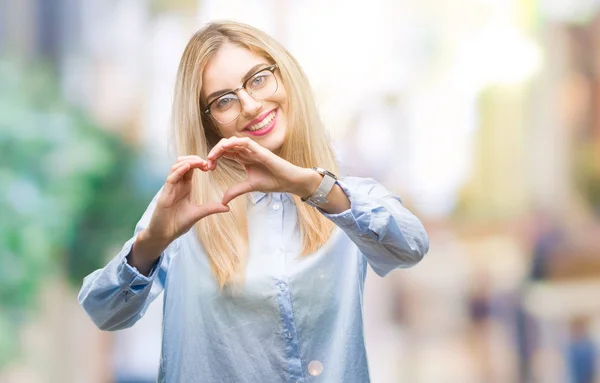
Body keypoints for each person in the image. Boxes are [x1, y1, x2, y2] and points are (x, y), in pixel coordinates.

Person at [78, 20, 429, 383]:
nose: (249, 104)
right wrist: (149, 245)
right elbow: (104, 312)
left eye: (258, 78)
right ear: (209, 122)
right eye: (224, 100)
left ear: (285, 75)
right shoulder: (188, 204)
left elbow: (411, 246)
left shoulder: (343, 197)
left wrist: (309, 185)